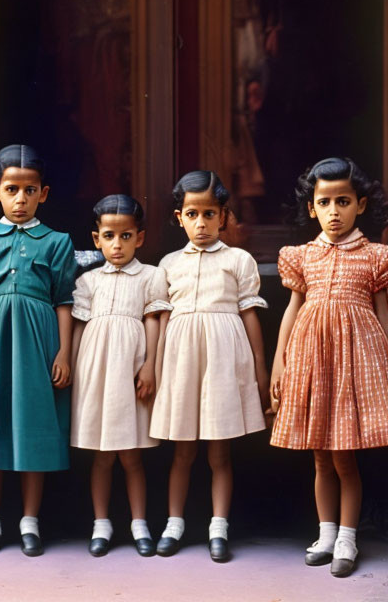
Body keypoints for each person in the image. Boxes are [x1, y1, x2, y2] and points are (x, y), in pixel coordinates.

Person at [269, 157, 388, 578]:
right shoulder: (302, 256)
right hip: (312, 362)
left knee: (346, 460)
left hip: (355, 363)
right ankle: (326, 532)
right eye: (325, 202)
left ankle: (349, 537)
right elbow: (293, 311)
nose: (335, 211)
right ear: (312, 208)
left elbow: (387, 317)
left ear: (361, 205)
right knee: (320, 459)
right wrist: (279, 363)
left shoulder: (376, 257)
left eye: (344, 201)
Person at [0, 144, 77, 557]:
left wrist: (63, 353)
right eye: (11, 189)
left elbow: (63, 301)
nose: (20, 199)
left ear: (43, 193)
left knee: (34, 424)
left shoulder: (57, 243)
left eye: (29, 190)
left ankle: (29, 521)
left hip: (40, 340)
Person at [150, 171, 269, 561]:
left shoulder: (238, 260)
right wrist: (155, 366)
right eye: (191, 214)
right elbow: (162, 319)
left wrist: (261, 369)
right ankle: (174, 524)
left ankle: (219, 528)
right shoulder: (167, 265)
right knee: (183, 452)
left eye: (209, 214)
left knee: (219, 452)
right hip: (182, 358)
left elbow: (250, 314)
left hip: (223, 357)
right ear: (178, 217)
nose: (200, 223)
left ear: (223, 216)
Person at [70, 194, 170, 557]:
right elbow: (79, 327)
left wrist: (150, 366)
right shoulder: (89, 281)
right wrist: (74, 362)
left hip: (131, 367)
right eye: (109, 236)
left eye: (125, 236)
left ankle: (139, 523)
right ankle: (102, 523)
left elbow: (155, 320)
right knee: (102, 454)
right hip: (96, 371)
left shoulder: (151, 276)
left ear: (139, 238)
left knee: (131, 454)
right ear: (96, 239)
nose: (117, 244)